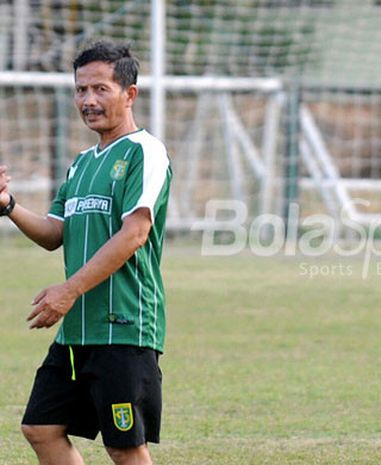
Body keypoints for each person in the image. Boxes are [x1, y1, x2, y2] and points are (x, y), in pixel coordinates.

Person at [0, 40, 171, 465]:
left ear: (129, 94)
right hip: (78, 329)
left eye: (100, 89)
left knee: (124, 447)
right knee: (40, 428)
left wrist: (69, 290)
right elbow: (55, 232)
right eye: (80, 90)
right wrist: (8, 205)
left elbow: (134, 234)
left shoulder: (144, 152)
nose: (88, 100)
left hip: (123, 326)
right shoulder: (81, 163)